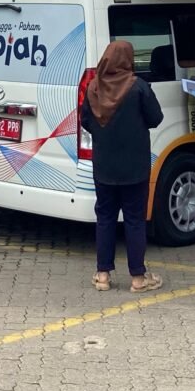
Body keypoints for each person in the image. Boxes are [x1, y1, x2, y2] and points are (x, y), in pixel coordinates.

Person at [80, 41, 165, 293]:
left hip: (104, 166)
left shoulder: (94, 88)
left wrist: (103, 133)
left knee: (104, 218)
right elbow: (156, 118)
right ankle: (138, 279)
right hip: (135, 167)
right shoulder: (138, 87)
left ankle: (103, 275)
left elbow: (85, 120)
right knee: (135, 220)